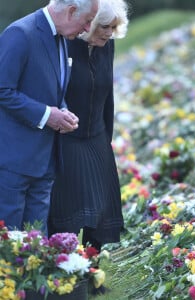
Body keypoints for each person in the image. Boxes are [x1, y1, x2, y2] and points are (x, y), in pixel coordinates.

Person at [0, 0, 98, 233]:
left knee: (37, 243)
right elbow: (2, 89)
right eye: (87, 21)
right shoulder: (20, 33)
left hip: (45, 161)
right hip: (14, 161)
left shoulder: (62, 37)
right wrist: (46, 115)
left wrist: (62, 111)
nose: (87, 29)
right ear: (71, 11)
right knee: (9, 244)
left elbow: (50, 88)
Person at [48, 0, 129, 252]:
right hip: (67, 138)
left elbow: (108, 96)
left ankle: (92, 273)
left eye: (114, 27)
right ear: (89, 23)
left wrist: (107, 139)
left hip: (97, 136)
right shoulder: (65, 44)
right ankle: (66, 274)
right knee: (68, 210)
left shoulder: (108, 46)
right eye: (104, 26)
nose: (109, 32)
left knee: (102, 210)